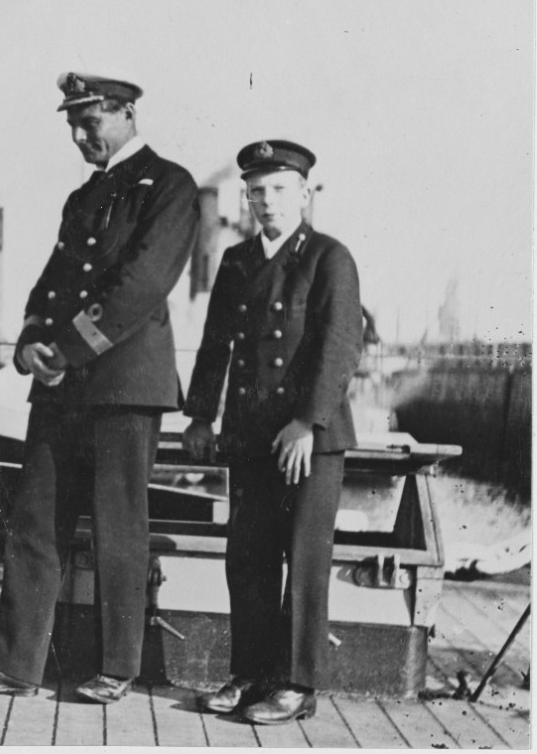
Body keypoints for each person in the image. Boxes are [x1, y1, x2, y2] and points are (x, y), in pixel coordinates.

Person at [0, 73, 199, 703]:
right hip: (61, 387)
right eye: (73, 126)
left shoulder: (169, 187)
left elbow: (142, 284)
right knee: (35, 523)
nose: (82, 137)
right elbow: (53, 280)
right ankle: (14, 666)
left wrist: (68, 349)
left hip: (123, 387)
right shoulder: (84, 198)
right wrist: (30, 340)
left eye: (92, 123)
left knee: (118, 528)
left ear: (128, 113)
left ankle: (118, 667)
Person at [183, 140, 363, 725]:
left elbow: (339, 347)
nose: (266, 201)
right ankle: (251, 672)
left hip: (311, 437)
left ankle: (295, 683)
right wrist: (201, 415)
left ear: (304, 195)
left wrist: (306, 423)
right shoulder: (237, 261)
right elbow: (216, 346)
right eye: (256, 191)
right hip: (252, 434)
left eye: (279, 189)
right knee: (249, 556)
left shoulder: (330, 258)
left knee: (304, 557)